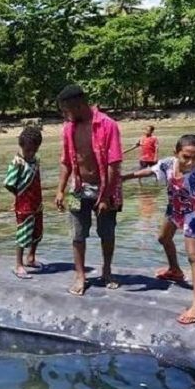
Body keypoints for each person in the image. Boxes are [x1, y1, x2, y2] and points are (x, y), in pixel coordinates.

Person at [122, 134, 195, 324]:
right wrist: (124, 177)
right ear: (176, 153)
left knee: (194, 256)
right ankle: (175, 270)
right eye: (186, 157)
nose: (191, 162)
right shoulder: (168, 163)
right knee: (163, 238)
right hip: (174, 210)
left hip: (191, 216)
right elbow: (150, 171)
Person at [54, 85, 123, 295]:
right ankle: (80, 275)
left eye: (67, 110)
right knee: (76, 233)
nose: (66, 114)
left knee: (107, 232)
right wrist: (60, 190)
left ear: (78, 104)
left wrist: (106, 196)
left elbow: (114, 164)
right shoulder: (68, 128)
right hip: (78, 188)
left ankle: (107, 270)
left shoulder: (107, 125)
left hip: (106, 188)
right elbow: (66, 161)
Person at [4, 127, 44, 279]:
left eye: (33, 150)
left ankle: (31, 257)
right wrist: (19, 195)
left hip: (37, 203)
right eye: (27, 150)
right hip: (24, 205)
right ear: (22, 147)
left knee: (37, 232)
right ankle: (18, 264)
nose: (30, 153)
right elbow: (8, 183)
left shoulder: (36, 161)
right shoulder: (17, 162)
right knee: (22, 234)